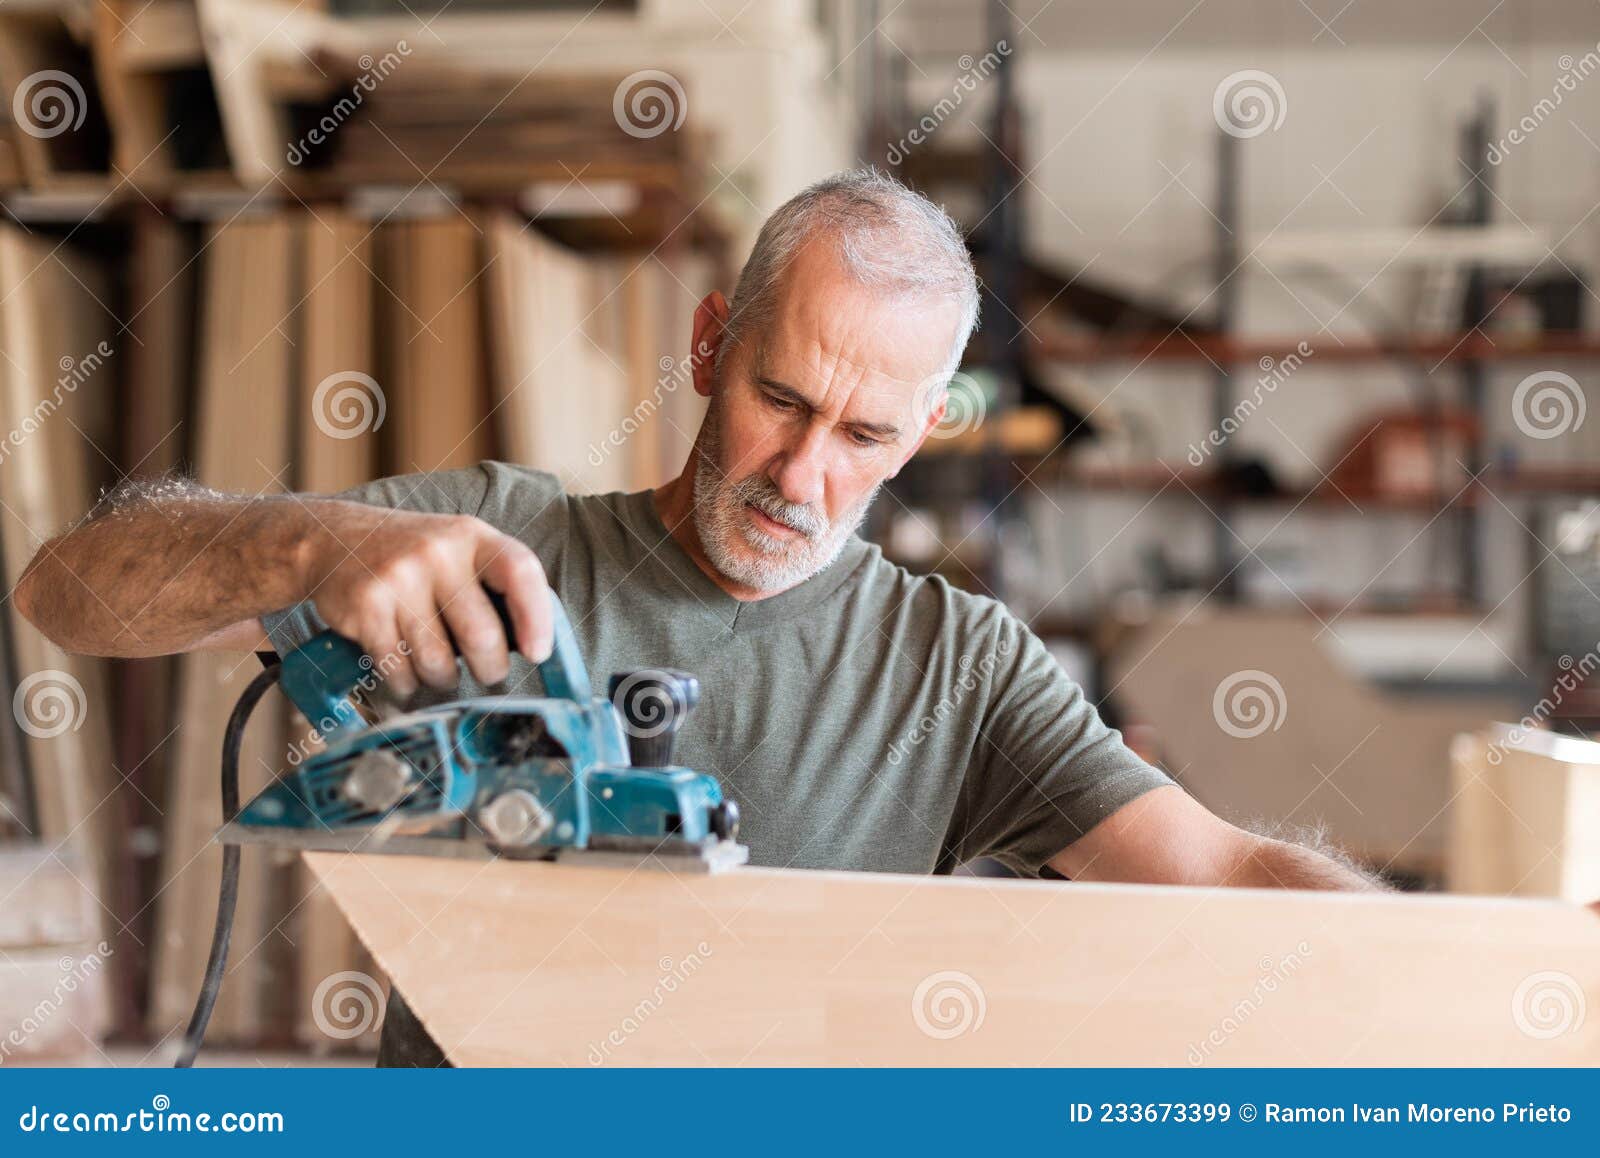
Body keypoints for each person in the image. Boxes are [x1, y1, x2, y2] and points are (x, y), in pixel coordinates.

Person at [18, 168, 1383, 1065]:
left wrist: (1461, 981)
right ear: (708, 345)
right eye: (780, 400)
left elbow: (1228, 877)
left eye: (864, 434)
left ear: (919, 438)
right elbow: (67, 589)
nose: (802, 475)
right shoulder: (498, 544)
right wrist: (314, 542)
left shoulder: (957, 671)